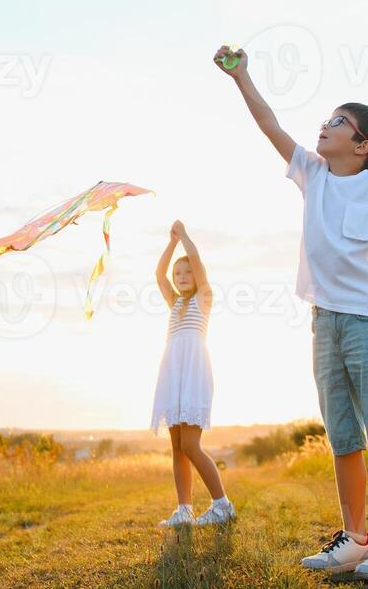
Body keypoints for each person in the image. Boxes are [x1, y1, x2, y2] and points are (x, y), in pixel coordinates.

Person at [214, 45, 368, 579]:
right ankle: (356, 537)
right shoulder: (312, 173)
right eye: (328, 118)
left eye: (340, 122)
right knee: (343, 435)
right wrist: (242, 77)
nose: (326, 125)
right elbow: (269, 122)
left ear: (362, 145)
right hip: (324, 323)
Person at [151, 219, 235, 527]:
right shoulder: (174, 301)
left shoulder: (204, 298)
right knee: (176, 446)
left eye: (187, 272)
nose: (183, 276)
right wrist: (171, 243)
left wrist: (184, 236)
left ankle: (222, 505)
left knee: (190, 444)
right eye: (179, 273)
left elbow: (197, 262)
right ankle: (184, 509)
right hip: (173, 373)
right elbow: (159, 274)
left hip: (194, 373)